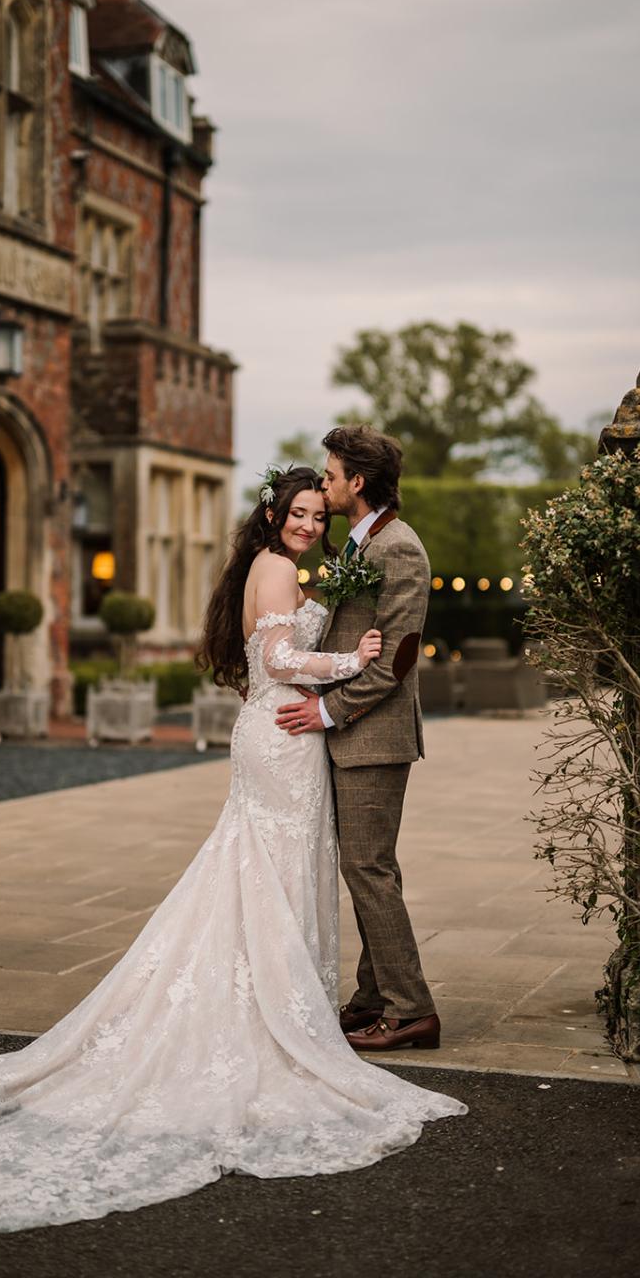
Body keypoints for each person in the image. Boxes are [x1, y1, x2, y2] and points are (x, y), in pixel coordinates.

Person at [0, 465, 465, 1234]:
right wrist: (348, 662)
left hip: (287, 736)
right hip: (284, 736)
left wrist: (334, 640)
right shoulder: (274, 569)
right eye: (297, 510)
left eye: (314, 509)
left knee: (272, 869)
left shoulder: (291, 569)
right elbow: (274, 661)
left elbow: (280, 645)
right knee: (267, 869)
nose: (307, 521)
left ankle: (294, 1001)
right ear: (272, 515)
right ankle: (281, 1010)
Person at [276, 427, 440, 1051]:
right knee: (366, 866)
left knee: (368, 868)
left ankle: (411, 1010)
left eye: (331, 473)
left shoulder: (399, 548)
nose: (324, 482)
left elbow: (396, 660)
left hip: (373, 734)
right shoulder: (359, 542)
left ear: (357, 482)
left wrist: (327, 712)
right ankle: (374, 997)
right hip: (356, 734)